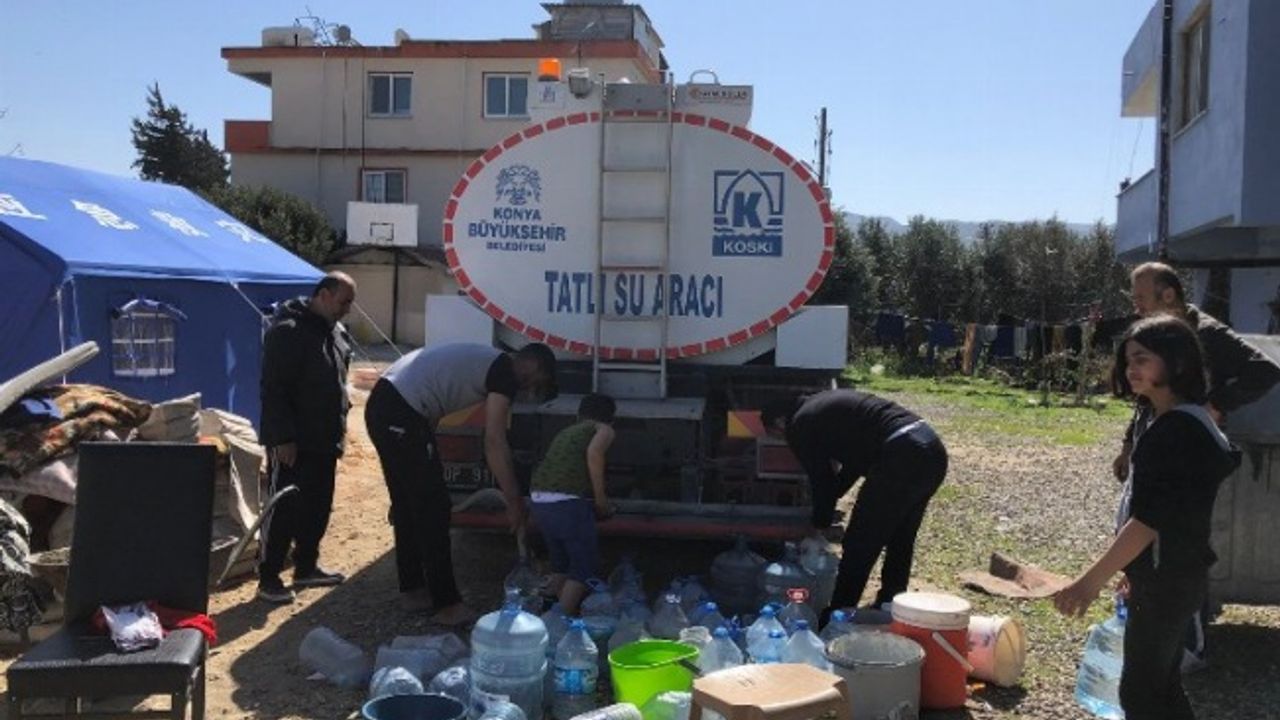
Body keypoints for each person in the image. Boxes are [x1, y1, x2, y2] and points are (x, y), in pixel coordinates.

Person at [1056, 315, 1240, 720]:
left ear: (1175, 361)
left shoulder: (1175, 431)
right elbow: (1174, 514)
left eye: (1142, 359)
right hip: (1178, 574)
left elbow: (1147, 522)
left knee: (1140, 693)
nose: (1130, 369)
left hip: (1166, 583)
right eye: (1127, 361)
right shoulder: (1192, 419)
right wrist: (1134, 570)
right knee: (1163, 684)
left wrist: (1089, 581)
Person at [1113, 262, 1280, 669]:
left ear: (1168, 295)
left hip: (1186, 449)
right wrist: (1128, 445)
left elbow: (1265, 370)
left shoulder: (1207, 334)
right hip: (1156, 442)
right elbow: (1143, 395)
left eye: (1141, 298)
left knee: (1178, 545)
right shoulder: (1158, 337)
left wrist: (1215, 405)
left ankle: (1188, 646)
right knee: (1142, 533)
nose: (1136, 307)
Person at [364, 341, 556, 625]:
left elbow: (435, 392)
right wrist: (514, 501)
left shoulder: (491, 363)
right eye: (539, 381)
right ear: (533, 364)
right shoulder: (505, 371)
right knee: (435, 508)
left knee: (409, 504)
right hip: (399, 410)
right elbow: (494, 441)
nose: (530, 389)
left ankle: (414, 590)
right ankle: (447, 605)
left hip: (387, 404)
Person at [763, 389, 947, 618]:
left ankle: (838, 613)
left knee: (860, 541)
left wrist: (818, 524)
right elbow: (853, 463)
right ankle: (890, 603)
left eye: (776, 434)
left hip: (901, 454)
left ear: (780, 421)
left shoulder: (800, 424)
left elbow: (822, 478)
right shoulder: (822, 406)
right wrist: (832, 497)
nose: (783, 439)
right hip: (931, 449)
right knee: (901, 536)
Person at [257, 272, 357, 604]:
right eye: (344, 302)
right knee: (285, 507)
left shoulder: (336, 334)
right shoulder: (287, 332)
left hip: (325, 440)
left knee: (317, 507)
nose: (347, 310)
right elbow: (274, 390)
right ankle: (269, 577)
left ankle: (306, 567)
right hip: (293, 444)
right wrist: (282, 438)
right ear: (324, 295)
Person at [528, 393, 617, 615]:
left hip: (539, 499)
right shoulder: (603, 429)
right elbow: (594, 454)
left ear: (579, 415)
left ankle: (543, 610)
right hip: (566, 502)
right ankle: (556, 623)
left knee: (561, 564)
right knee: (584, 568)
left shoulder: (567, 431)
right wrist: (600, 499)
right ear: (611, 418)